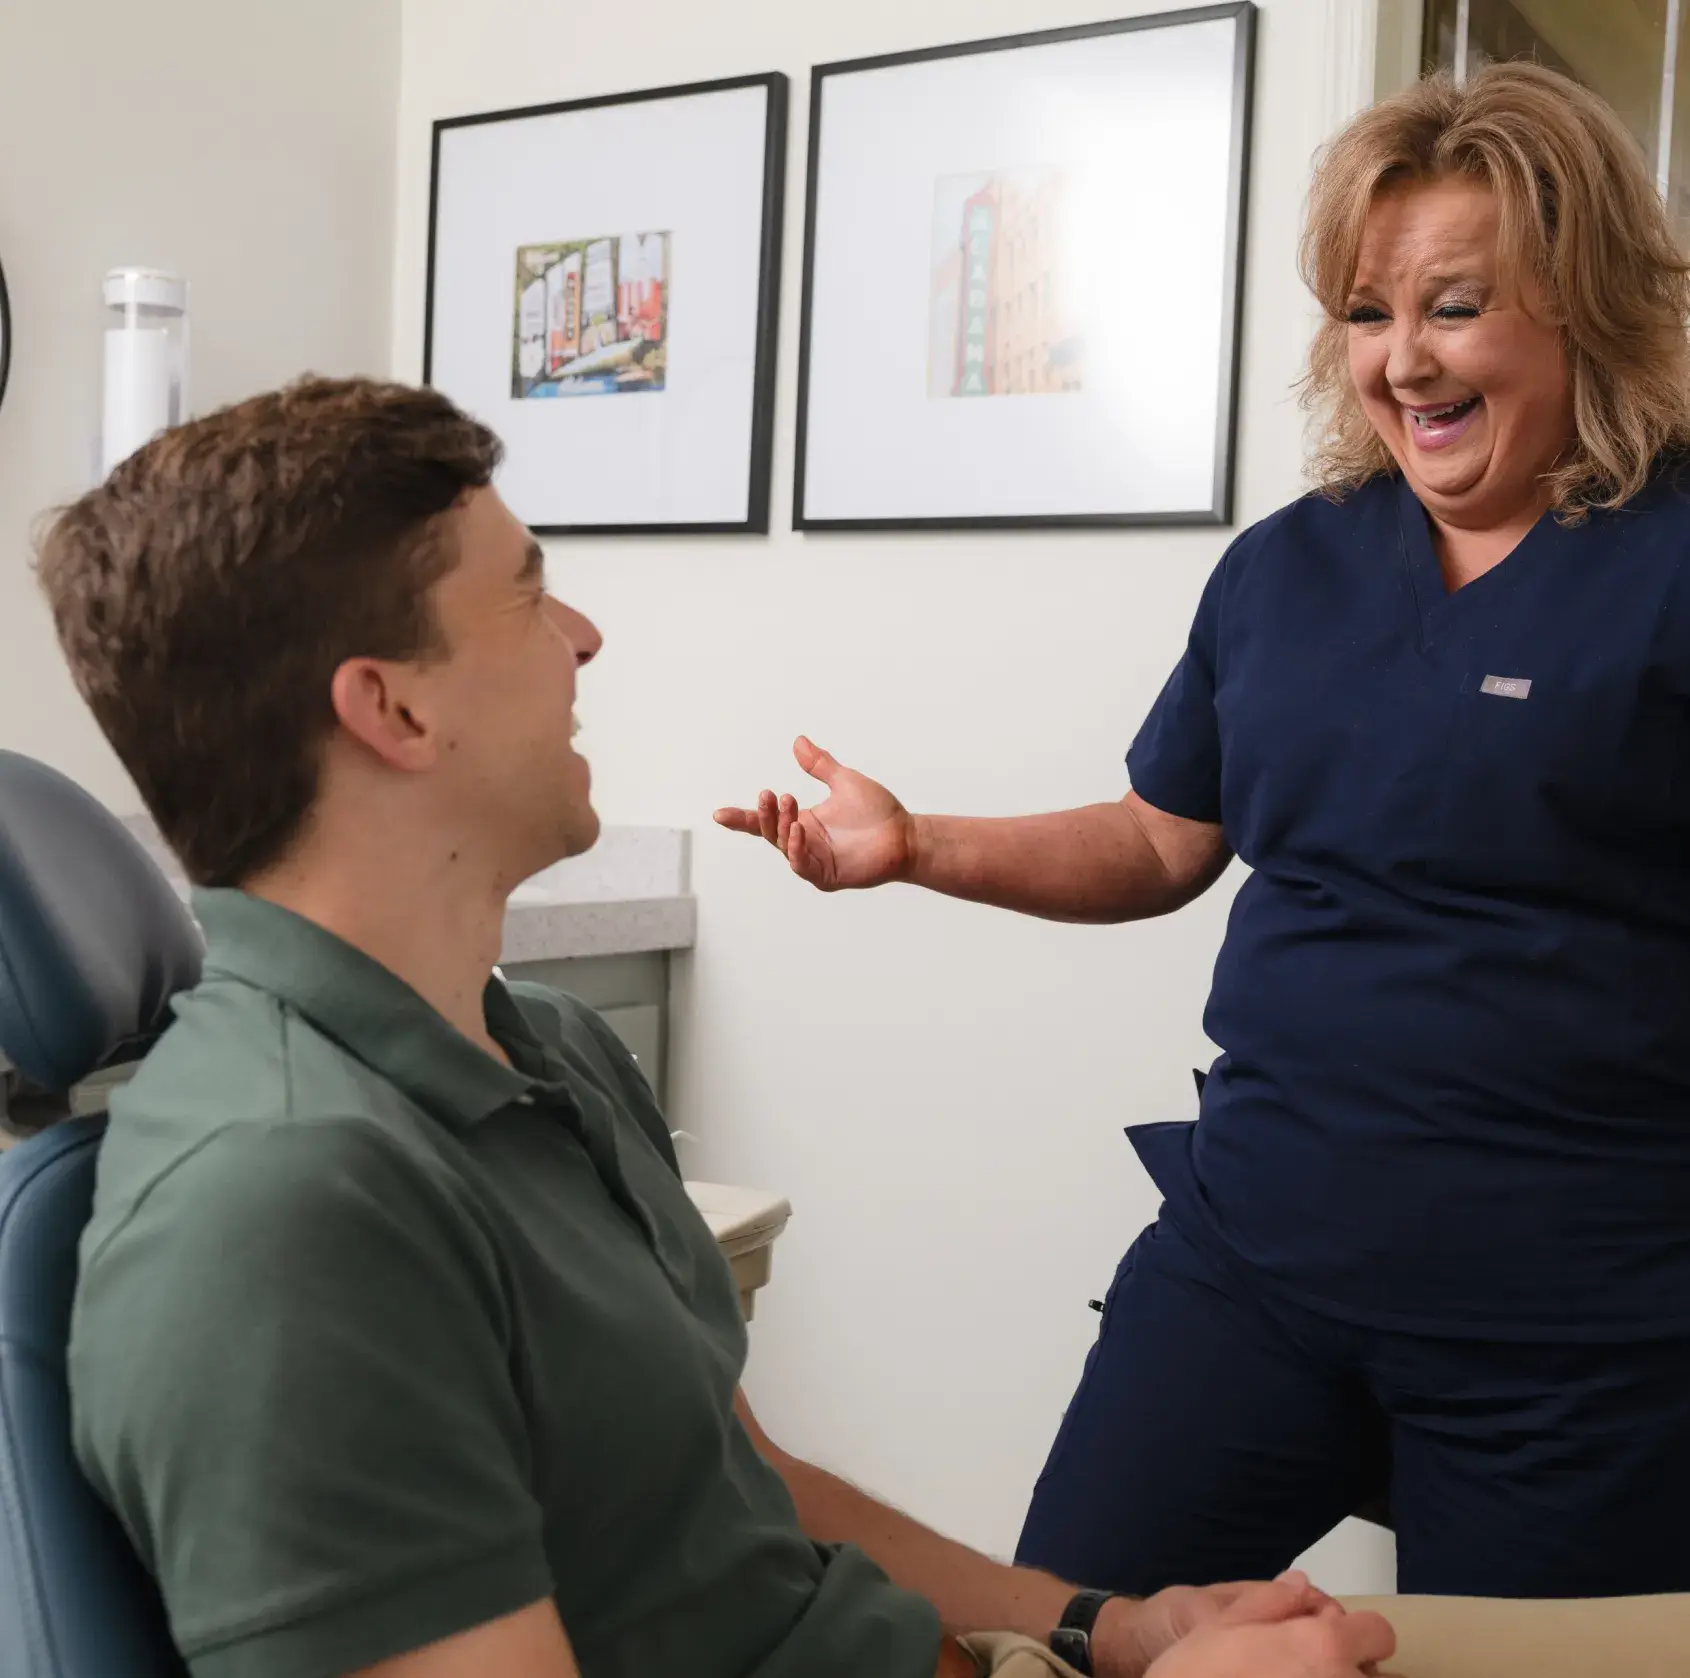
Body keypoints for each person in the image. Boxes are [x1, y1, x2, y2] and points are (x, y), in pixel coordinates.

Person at [36, 378, 1395, 1678]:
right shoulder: (280, 1211)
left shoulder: (546, 1048)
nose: (584, 636)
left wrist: (1112, 1628)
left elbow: (752, 1489)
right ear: (392, 707)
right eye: (529, 595)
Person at [718, 62, 1690, 1602]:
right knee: (1068, 1626)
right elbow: (1159, 840)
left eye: (1453, 307)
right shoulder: (1285, 569)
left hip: (1573, 1323)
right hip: (1254, 1264)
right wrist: (916, 845)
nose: (1401, 360)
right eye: (1366, 312)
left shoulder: (1665, 560)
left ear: (1585, 305)